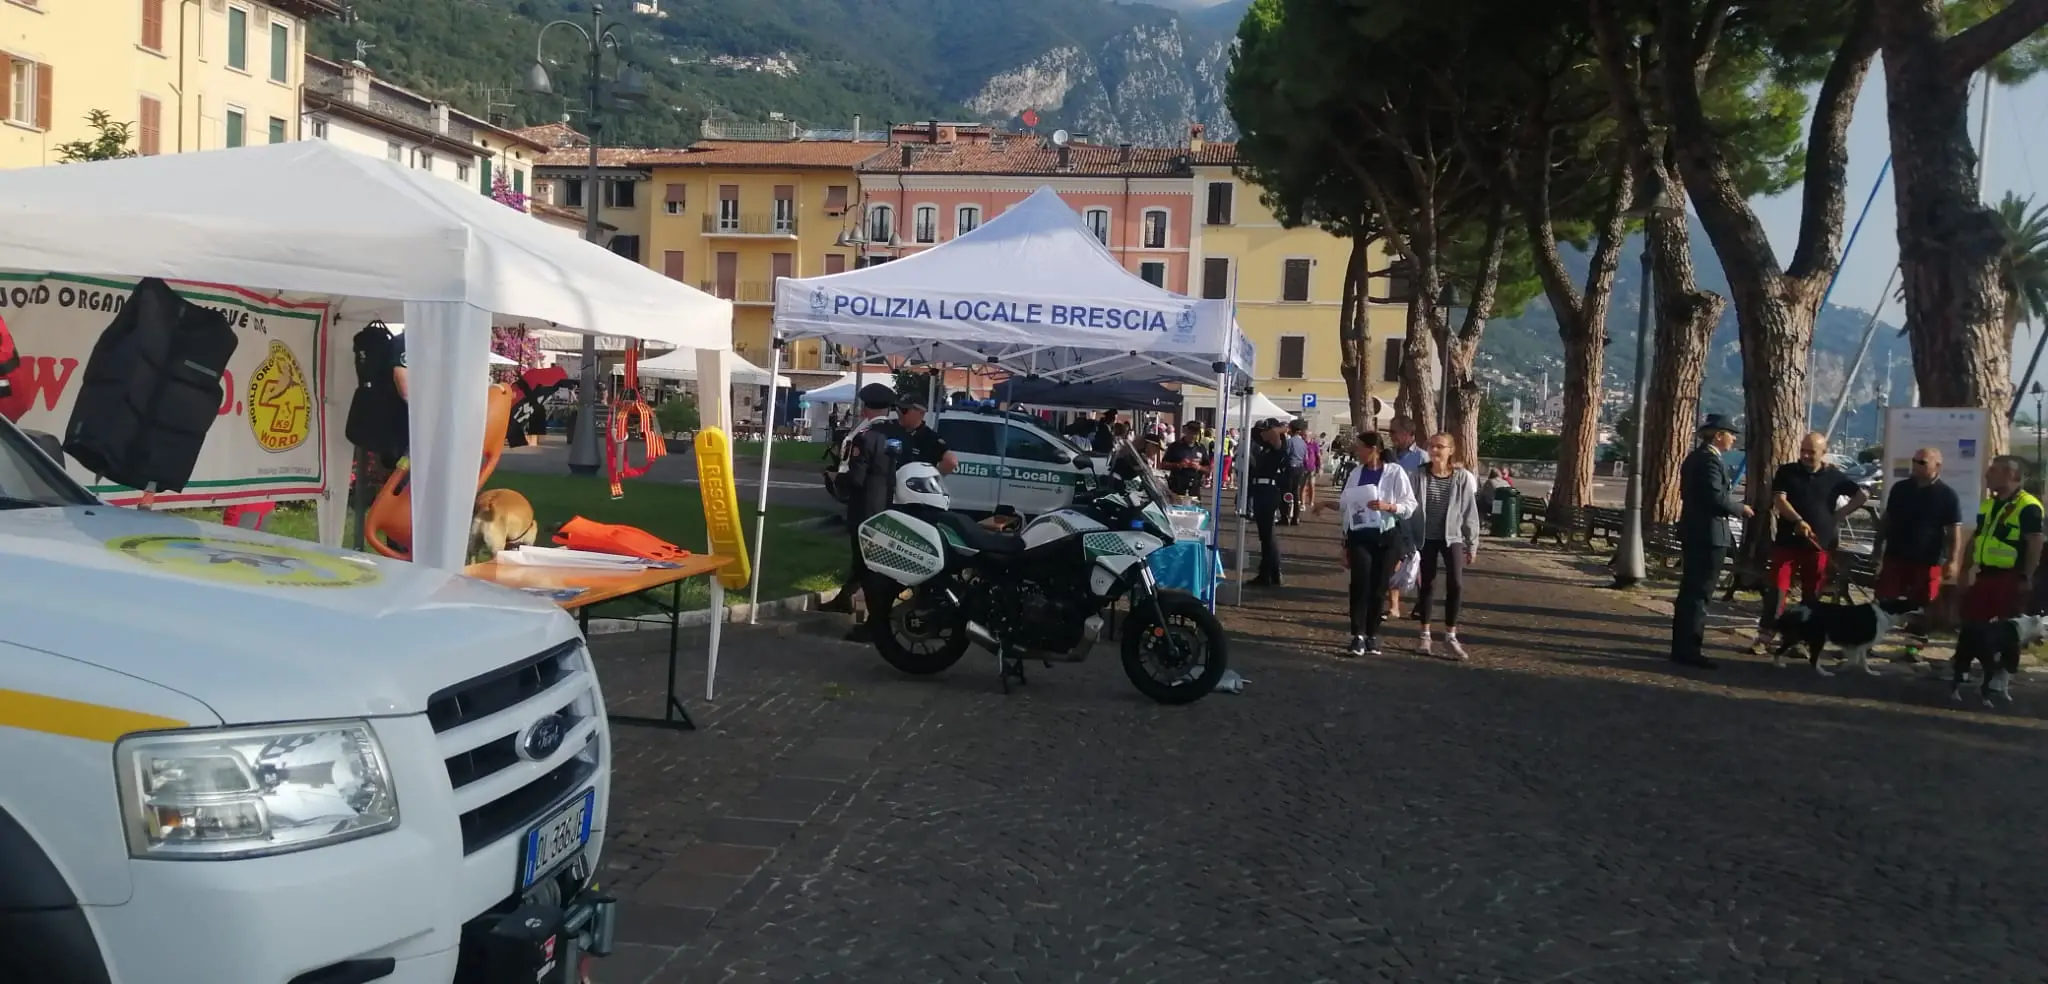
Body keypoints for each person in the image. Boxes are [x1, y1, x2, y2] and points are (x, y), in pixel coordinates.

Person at [1753, 432, 1869, 652]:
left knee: (1812, 595)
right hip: (1788, 542)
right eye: (1803, 450)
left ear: (1823, 453)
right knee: (1777, 589)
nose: (1805, 455)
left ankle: (1800, 640)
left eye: (1811, 451)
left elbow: (1861, 495)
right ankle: (1765, 634)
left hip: (1819, 544)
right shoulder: (1787, 471)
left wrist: (1839, 515)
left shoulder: (1835, 476)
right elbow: (1780, 499)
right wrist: (1797, 520)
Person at [1316, 432, 1416, 656]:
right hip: (1360, 535)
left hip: (1386, 536)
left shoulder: (1394, 472)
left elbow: (1410, 505)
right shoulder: (1355, 473)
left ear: (1374, 449)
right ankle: (1357, 634)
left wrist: (1388, 506)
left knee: (1379, 586)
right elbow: (1346, 505)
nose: (1356, 451)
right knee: (1360, 583)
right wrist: (1326, 506)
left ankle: (1372, 634)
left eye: (1360, 447)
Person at [820, 383, 905, 636]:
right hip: (889, 503)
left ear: (865, 406)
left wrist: (835, 477)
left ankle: (875, 624)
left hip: (865, 506)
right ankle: (845, 598)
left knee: (868, 564)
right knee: (867, 562)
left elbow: (856, 478)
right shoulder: (895, 431)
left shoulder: (865, 436)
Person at [1672, 415, 1752, 669]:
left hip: (1694, 530)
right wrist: (1740, 508)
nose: (1734, 438)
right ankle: (1690, 649)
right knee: (1699, 593)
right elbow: (1716, 497)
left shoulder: (1694, 458)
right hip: (1708, 534)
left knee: (1690, 591)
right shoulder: (1709, 461)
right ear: (1718, 435)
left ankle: (1681, 646)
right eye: (1731, 433)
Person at [1412, 432, 1481, 660]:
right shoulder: (1419, 475)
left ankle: (1450, 635)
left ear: (1450, 450)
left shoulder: (1461, 478)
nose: (1434, 451)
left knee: (1456, 584)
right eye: (1431, 446)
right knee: (1427, 584)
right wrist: (1407, 540)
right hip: (1425, 537)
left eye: (1440, 447)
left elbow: (1470, 512)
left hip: (1452, 537)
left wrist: (1472, 544)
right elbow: (1410, 508)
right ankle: (1425, 634)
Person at [1960, 454, 2042, 628]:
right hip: (1985, 574)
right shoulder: (1989, 504)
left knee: (2005, 627)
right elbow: (1978, 536)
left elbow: (2035, 543)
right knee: (1972, 618)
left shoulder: (2028, 506)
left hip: (2010, 577)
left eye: (1993, 470)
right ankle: (1964, 655)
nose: (1987, 474)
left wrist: (2026, 577)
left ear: (2010, 474)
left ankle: (1999, 655)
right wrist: (1965, 568)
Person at [1384, 416, 1426, 620]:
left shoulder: (1422, 458)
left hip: (1415, 519)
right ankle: (1394, 606)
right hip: (1392, 518)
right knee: (1394, 561)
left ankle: (1421, 602)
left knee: (1417, 563)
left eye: (1394, 432)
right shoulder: (1388, 455)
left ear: (1408, 434)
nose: (1390, 436)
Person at [1246, 421, 1291, 586]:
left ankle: (1269, 573)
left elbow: (1275, 432)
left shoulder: (1278, 448)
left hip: (1269, 490)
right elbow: (1255, 432)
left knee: (1268, 535)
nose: (1264, 434)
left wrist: (1276, 429)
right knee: (1265, 536)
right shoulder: (1265, 448)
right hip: (1260, 489)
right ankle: (1271, 572)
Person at [1162, 421, 1209, 502]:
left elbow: (1208, 469)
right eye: (1191, 433)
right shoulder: (1175, 446)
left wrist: (1199, 467)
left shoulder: (1201, 448)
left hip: (1194, 487)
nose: (1193, 436)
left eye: (1196, 434)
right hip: (1177, 485)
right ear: (1186, 431)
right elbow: (1163, 464)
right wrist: (1178, 464)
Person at [1282, 419, 1311, 525]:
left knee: (1286, 492)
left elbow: (1286, 454)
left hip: (1290, 467)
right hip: (1300, 467)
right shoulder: (1303, 443)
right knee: (1295, 493)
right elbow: (1305, 456)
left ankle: (1284, 517)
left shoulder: (1290, 441)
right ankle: (1295, 518)